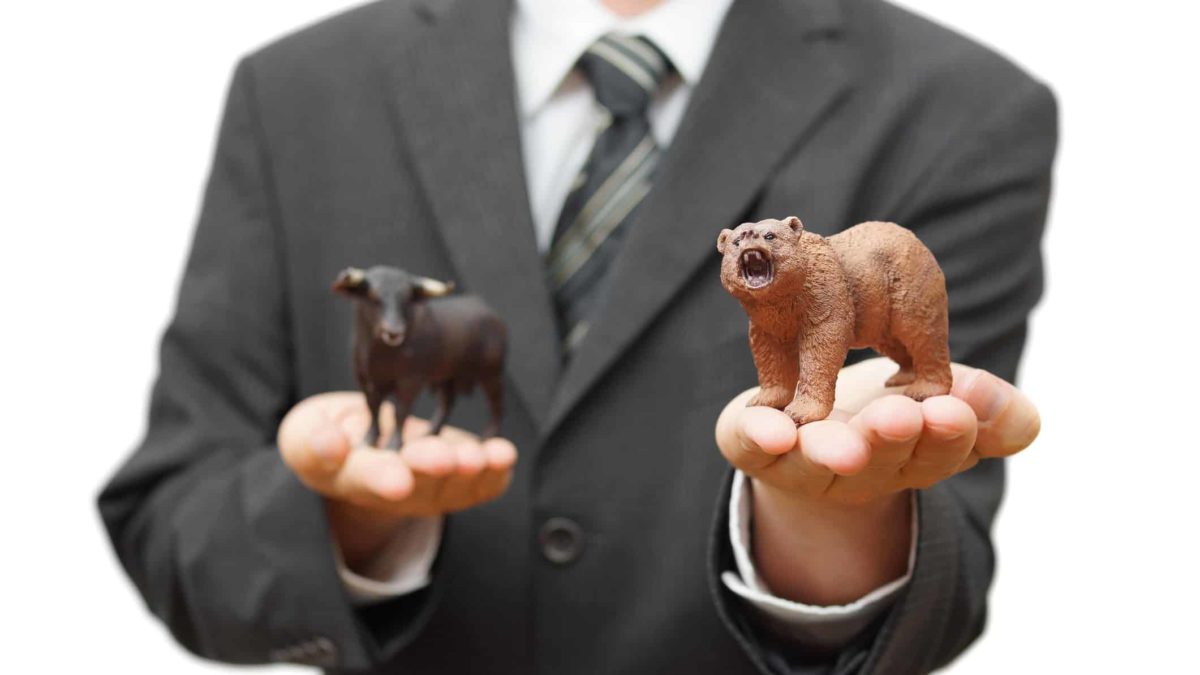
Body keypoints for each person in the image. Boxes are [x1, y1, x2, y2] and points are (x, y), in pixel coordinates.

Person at [98, 0, 1054, 672]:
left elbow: (945, 589)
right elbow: (169, 517)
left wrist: (827, 518)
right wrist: (352, 522)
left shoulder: (964, 111)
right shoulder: (297, 94)